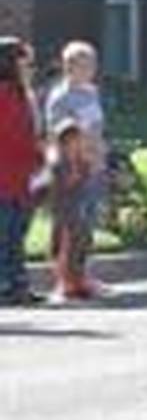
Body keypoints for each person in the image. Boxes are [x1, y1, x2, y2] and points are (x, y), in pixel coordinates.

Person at [0, 38, 44, 306]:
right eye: (25, 62)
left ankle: (18, 283)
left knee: (16, 235)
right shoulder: (4, 95)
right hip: (4, 177)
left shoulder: (22, 94)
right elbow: (13, 135)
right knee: (5, 235)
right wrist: (37, 151)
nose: (31, 68)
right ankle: (6, 285)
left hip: (22, 177)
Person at [48, 118, 102, 301]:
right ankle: (65, 282)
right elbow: (58, 188)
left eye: (79, 140)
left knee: (83, 243)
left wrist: (86, 165)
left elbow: (88, 180)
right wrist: (72, 174)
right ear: (62, 142)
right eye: (71, 140)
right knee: (65, 247)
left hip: (80, 210)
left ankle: (80, 279)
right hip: (64, 211)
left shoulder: (82, 161)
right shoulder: (57, 164)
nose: (76, 144)